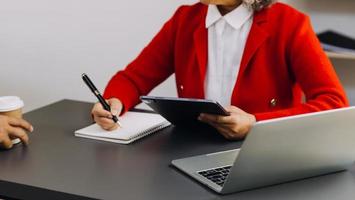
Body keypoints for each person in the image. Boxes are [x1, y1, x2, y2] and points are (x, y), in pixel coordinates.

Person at [91, 0, 348, 140]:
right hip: (190, 147)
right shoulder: (185, 19)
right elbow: (134, 78)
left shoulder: (290, 23)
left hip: (264, 153)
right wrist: (114, 102)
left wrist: (256, 123)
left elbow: (334, 103)